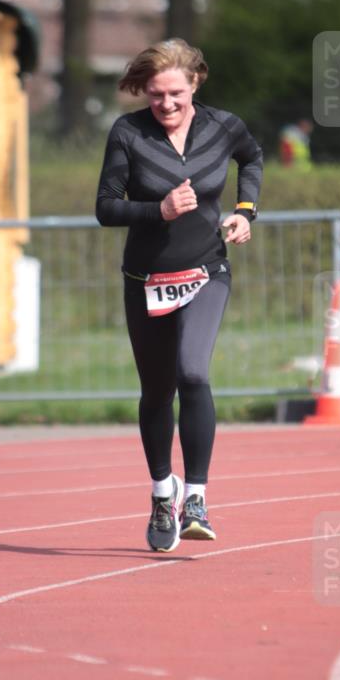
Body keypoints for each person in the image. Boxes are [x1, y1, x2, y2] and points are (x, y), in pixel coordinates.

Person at [96, 38, 263, 553]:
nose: (166, 105)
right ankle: (162, 491)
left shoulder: (223, 127)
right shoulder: (128, 132)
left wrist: (245, 210)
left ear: (195, 84)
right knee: (156, 390)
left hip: (207, 269)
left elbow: (252, 159)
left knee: (194, 372)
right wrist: (158, 210)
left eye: (175, 94)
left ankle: (196, 497)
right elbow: (106, 207)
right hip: (145, 279)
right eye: (155, 95)